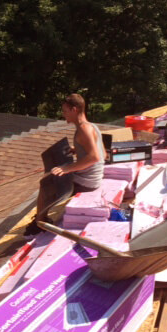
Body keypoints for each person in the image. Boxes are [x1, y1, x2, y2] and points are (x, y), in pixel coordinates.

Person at [25, 93, 105, 235]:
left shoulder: (83, 129)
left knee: (46, 183)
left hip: (87, 182)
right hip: (92, 178)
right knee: (52, 176)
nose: (64, 115)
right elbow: (103, 152)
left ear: (74, 110)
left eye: (65, 111)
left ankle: (39, 223)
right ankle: (41, 219)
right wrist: (77, 150)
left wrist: (67, 168)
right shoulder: (91, 126)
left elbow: (95, 157)